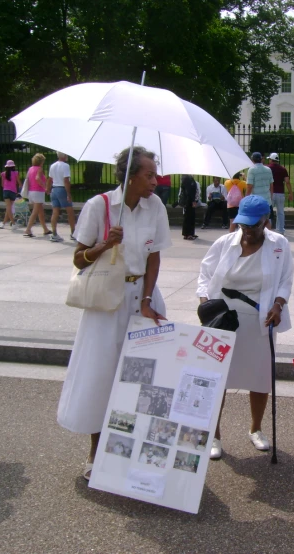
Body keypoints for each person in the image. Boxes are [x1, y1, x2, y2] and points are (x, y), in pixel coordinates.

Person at [57, 146, 171, 480]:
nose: (155, 180)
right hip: (108, 301)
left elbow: (154, 257)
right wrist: (105, 244)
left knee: (145, 379)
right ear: (129, 176)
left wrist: (148, 299)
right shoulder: (99, 205)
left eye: (155, 173)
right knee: (101, 375)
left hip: (144, 299)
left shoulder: (156, 206)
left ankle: (139, 449)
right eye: (149, 174)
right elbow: (79, 259)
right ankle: (97, 453)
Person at [197, 195, 293, 460]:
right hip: (223, 318)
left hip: (259, 318)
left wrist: (279, 304)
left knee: (259, 377)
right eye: (243, 224)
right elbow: (205, 275)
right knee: (217, 379)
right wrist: (206, 305)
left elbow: (286, 279)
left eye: (254, 224)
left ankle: (256, 429)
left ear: (267, 221)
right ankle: (214, 435)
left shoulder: (279, 245)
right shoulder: (224, 243)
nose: (247, 229)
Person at [46, 152, 77, 242]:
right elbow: (66, 180)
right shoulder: (65, 166)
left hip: (54, 189)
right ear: (64, 156)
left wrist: (48, 189)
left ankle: (54, 233)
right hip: (62, 188)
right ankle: (73, 232)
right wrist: (68, 193)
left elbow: (50, 179)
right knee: (70, 212)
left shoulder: (52, 165)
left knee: (55, 212)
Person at [23, 153, 51, 238]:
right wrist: (45, 187)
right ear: (41, 161)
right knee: (35, 212)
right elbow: (38, 178)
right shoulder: (39, 169)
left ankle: (45, 229)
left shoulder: (30, 169)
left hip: (31, 191)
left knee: (40, 211)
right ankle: (28, 229)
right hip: (38, 192)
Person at [245, 152, 273, 227]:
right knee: (267, 221)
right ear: (261, 159)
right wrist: (271, 197)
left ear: (252, 160)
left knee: (255, 221)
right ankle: (269, 237)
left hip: (255, 201)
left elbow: (249, 186)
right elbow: (271, 185)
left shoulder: (251, 170)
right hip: (267, 200)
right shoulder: (268, 169)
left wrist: (246, 198)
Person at [268, 153, 292, 234]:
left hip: (270, 192)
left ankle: (268, 229)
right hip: (280, 193)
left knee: (268, 212)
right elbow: (287, 182)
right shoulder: (283, 169)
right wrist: (290, 193)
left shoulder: (267, 168)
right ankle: (280, 230)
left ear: (271, 159)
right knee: (280, 212)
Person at [0, 160, 20, 229]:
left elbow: (2, 184)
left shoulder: (3, 174)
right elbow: (18, 182)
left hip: (6, 191)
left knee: (8, 208)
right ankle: (4, 223)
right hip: (13, 192)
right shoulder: (16, 173)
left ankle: (12, 223)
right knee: (9, 208)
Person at [179, 175, 200, 240]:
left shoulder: (185, 179)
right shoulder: (189, 180)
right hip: (189, 202)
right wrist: (193, 201)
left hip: (187, 201)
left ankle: (186, 233)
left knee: (187, 217)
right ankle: (189, 234)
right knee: (190, 217)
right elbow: (190, 192)